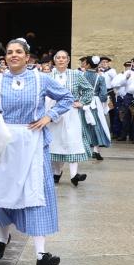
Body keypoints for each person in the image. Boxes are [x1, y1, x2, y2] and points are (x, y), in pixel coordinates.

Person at [0, 38, 72, 265]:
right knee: (0, 189)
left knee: (35, 192)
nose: (13, 55)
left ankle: (41, 253)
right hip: (4, 142)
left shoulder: (41, 78)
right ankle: (2, 238)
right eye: (9, 52)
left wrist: (49, 116)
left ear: (28, 56)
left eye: (18, 52)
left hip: (32, 142)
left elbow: (67, 98)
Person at [46, 50, 94, 186]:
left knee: (72, 140)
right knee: (55, 142)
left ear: (68, 60)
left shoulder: (76, 74)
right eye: (58, 58)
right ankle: (56, 172)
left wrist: (82, 102)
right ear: (54, 60)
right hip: (53, 112)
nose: (61, 60)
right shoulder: (48, 76)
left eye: (64, 58)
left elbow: (88, 89)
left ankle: (74, 175)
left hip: (71, 113)